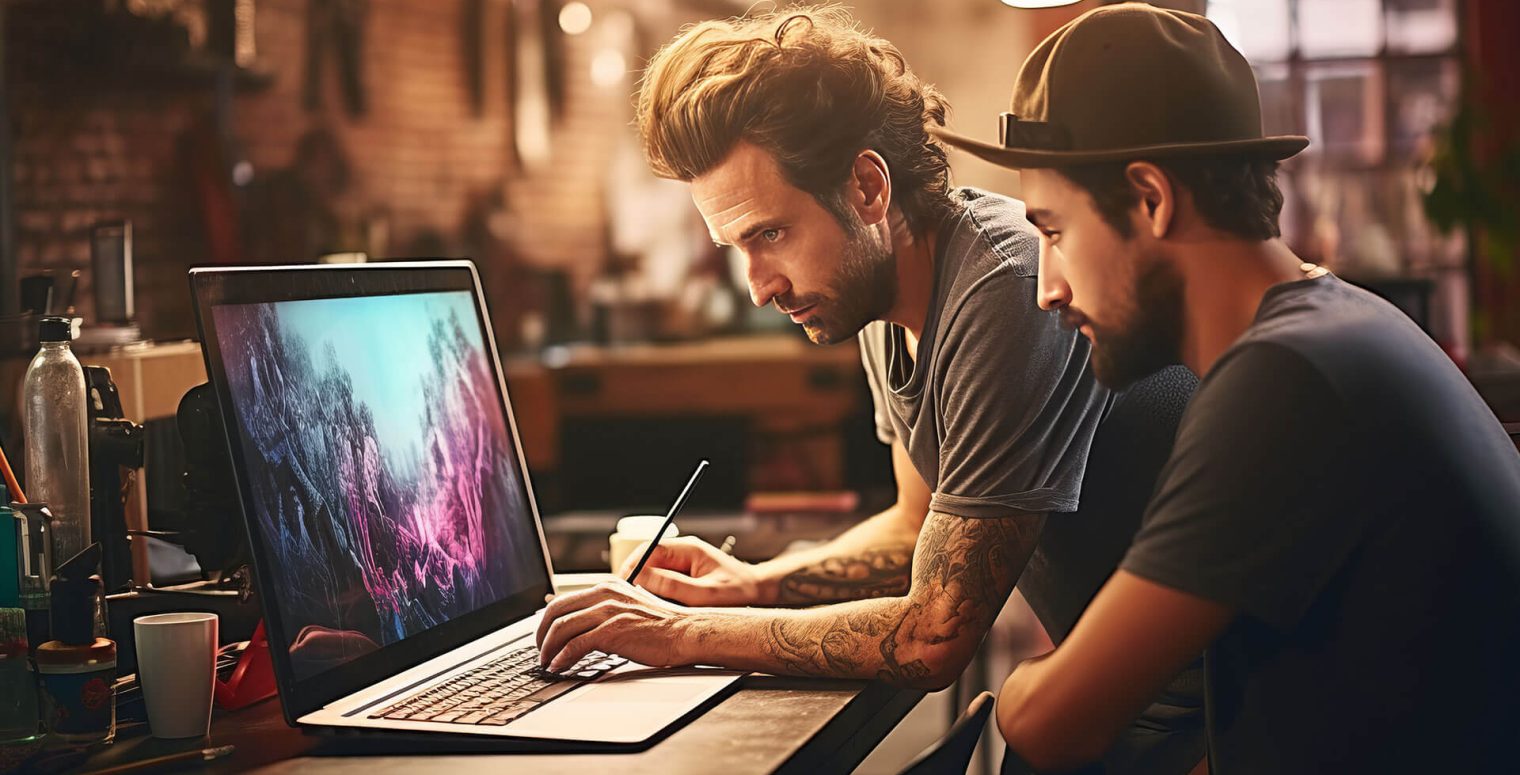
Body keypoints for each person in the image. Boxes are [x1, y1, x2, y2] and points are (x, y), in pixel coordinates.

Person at [535, 8, 1205, 771]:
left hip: (1217, 716)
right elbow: (913, 524)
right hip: (1126, 699)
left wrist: (679, 635)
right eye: (736, 249)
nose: (759, 288)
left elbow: (934, 634)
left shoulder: (1005, 288)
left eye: (770, 234)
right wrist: (750, 587)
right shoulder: (881, 301)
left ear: (866, 187)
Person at [929, 4, 1520, 772]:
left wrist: (1010, 693)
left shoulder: (1284, 382)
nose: (1047, 287)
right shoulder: (1337, 328)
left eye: (1055, 232)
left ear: (1151, 199)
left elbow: (1052, 722)